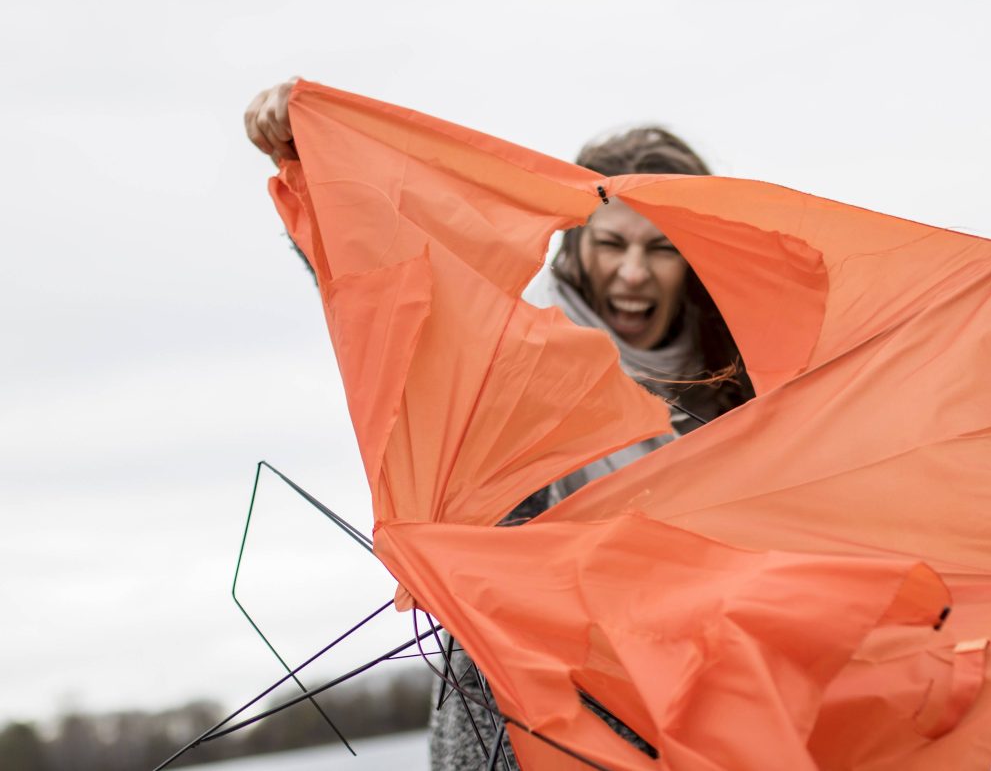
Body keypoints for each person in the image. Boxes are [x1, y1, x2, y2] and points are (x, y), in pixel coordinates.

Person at [244, 79, 753, 769]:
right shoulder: (515, 349)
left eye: (661, 248)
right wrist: (317, 157)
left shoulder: (748, 366)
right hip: (532, 723)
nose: (633, 273)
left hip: (719, 708)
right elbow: (397, 307)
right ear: (576, 238)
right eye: (611, 243)